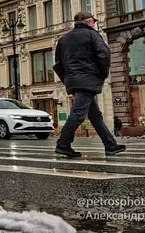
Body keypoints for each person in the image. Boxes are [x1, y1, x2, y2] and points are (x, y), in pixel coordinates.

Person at [53, 12, 126, 158]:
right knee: (78, 113)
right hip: (87, 79)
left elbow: (58, 62)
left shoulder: (63, 39)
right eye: (93, 21)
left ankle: (110, 145)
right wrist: (102, 74)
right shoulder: (92, 35)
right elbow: (104, 54)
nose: (94, 23)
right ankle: (63, 143)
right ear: (88, 22)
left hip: (73, 80)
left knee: (94, 115)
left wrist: (68, 78)